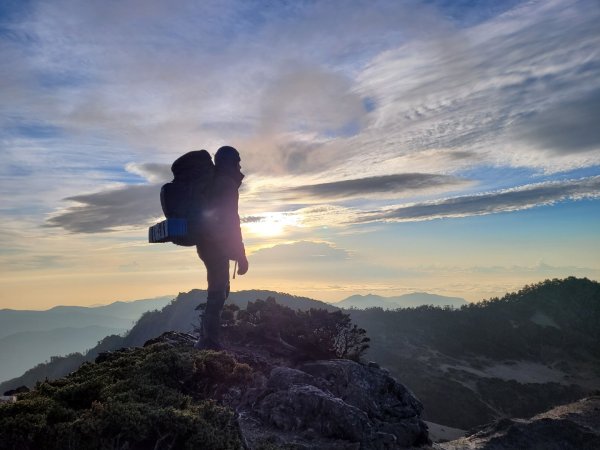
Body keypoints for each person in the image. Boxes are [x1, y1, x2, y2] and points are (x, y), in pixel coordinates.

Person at [195, 145, 249, 349]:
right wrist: (241, 255)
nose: (239, 166)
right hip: (215, 245)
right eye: (237, 161)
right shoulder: (226, 184)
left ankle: (208, 338)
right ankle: (209, 342)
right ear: (230, 163)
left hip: (207, 243)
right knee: (218, 291)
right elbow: (231, 221)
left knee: (220, 288)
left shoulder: (215, 182)